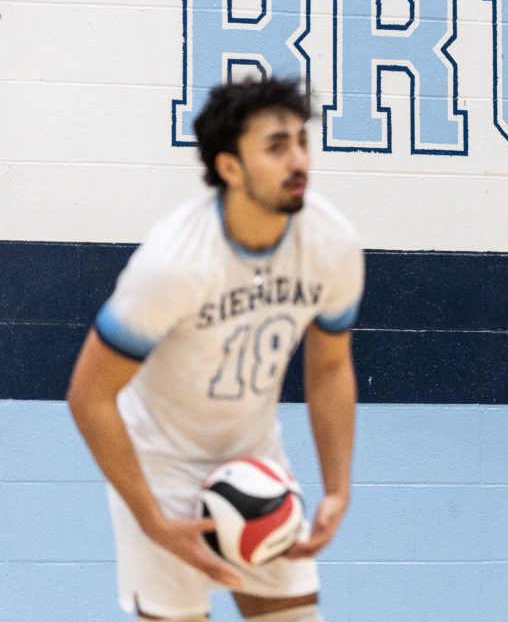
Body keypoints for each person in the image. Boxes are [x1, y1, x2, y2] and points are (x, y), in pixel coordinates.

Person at [67, 77, 363, 622]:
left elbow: (329, 366)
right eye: (277, 147)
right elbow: (89, 396)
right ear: (229, 167)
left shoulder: (332, 243)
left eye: (302, 140)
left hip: (253, 462)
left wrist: (338, 488)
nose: (299, 159)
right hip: (161, 469)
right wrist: (151, 518)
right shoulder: (172, 263)